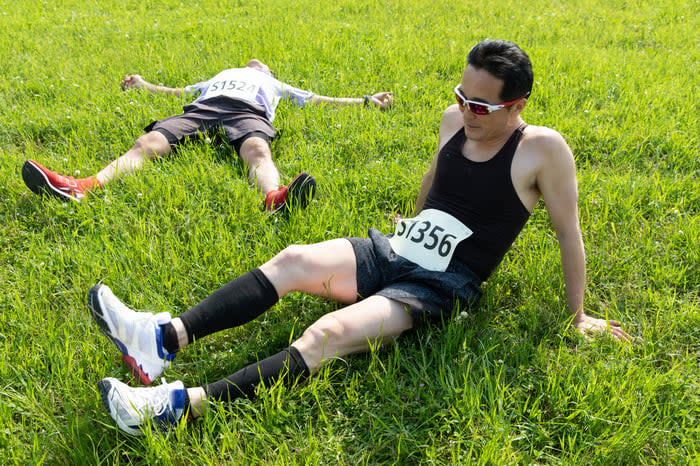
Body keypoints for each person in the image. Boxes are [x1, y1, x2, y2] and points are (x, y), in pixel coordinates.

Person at [89, 40, 631, 436]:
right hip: (400, 248)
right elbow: (433, 182)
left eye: (482, 106)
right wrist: (409, 227)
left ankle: (177, 407)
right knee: (294, 259)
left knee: (329, 333)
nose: (467, 111)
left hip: (444, 283)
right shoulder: (453, 120)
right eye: (462, 96)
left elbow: (568, 232)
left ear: (518, 106)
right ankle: (162, 341)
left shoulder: (543, 150)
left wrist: (578, 315)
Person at [21, 59, 393, 213]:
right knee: (147, 144)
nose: (255, 62)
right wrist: (144, 85)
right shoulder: (217, 76)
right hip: (205, 108)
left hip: (248, 113)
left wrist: (365, 100)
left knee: (257, 148)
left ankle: (274, 198)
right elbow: (179, 92)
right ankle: (84, 186)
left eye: (260, 63)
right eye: (251, 61)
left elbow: (317, 99)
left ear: (266, 70)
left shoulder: (273, 81)